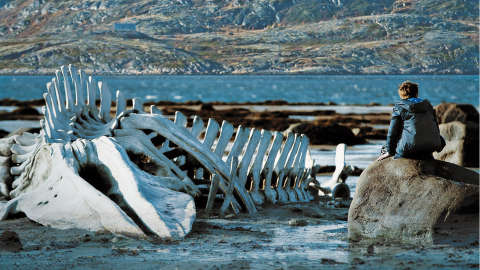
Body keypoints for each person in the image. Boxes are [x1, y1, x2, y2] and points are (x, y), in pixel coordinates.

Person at [377, 81, 445, 161]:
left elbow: (392, 132)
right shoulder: (428, 107)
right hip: (433, 145)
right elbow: (436, 129)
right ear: (416, 94)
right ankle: (428, 154)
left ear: (401, 95)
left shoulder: (400, 107)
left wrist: (389, 152)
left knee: (385, 147)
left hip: (410, 148)